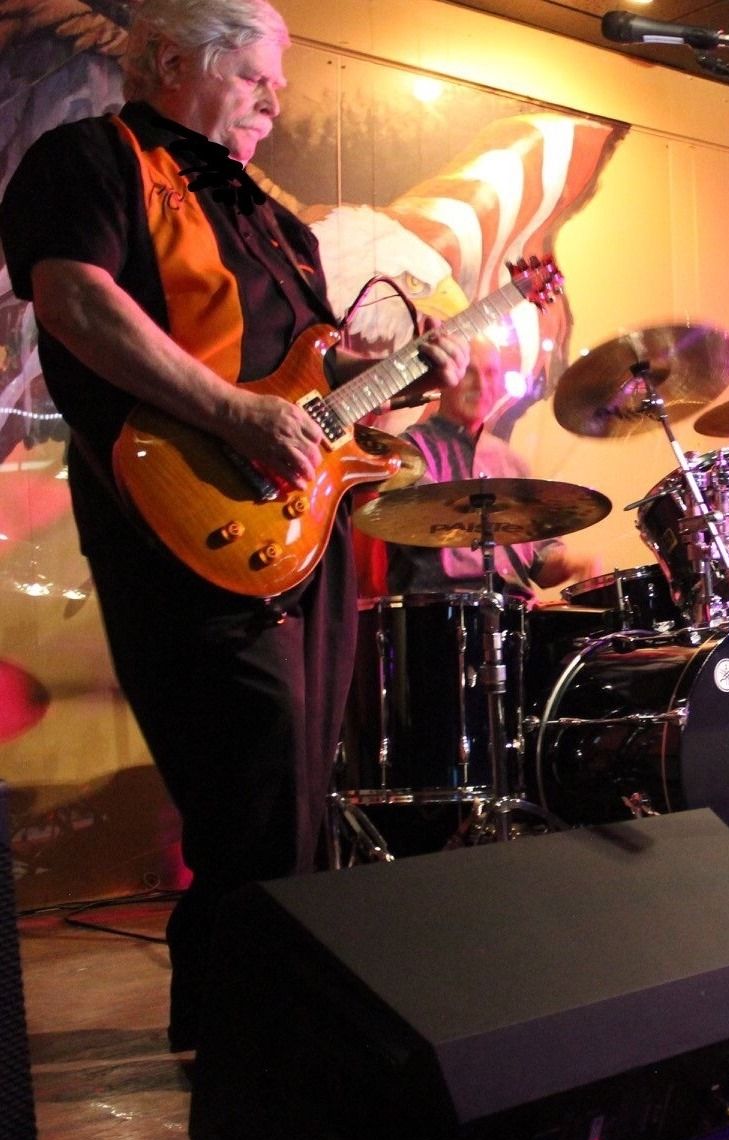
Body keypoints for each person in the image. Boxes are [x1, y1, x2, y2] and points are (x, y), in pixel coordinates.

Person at [0, 0, 469, 1053]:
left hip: (299, 531)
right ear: (172, 60)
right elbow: (75, 301)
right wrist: (230, 413)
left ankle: (243, 1039)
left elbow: (315, 395)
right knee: (250, 796)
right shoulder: (92, 158)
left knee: (293, 800)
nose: (276, 96)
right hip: (179, 517)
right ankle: (252, 1056)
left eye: (278, 79)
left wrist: (406, 379)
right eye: (255, 74)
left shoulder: (274, 220)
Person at [385, 337, 592, 597]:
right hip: (440, 610)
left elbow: (542, 568)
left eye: (491, 373)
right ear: (445, 378)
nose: (481, 384)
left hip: (516, 612)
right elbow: (432, 524)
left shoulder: (513, 462)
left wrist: (569, 563)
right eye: (469, 372)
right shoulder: (410, 448)